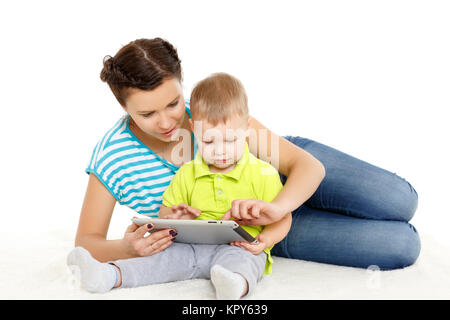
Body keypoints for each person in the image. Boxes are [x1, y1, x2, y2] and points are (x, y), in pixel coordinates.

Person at [70, 37, 419, 286]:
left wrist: (278, 207)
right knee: (402, 245)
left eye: (174, 103)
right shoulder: (112, 156)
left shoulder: (209, 115)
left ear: (182, 86)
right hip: (258, 234)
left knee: (399, 199)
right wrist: (126, 248)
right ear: (124, 108)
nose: (167, 122)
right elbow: (86, 240)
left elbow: (306, 167)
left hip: (282, 177)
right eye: (147, 113)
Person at [67, 72, 292, 298]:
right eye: (208, 141)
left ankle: (235, 285)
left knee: (243, 261)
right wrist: (174, 217)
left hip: (239, 246)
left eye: (229, 140)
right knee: (160, 260)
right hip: (190, 247)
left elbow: (283, 217)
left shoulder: (263, 172)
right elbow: (165, 212)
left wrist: (264, 241)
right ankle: (110, 275)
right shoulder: (187, 172)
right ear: (194, 129)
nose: (220, 150)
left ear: (246, 129)